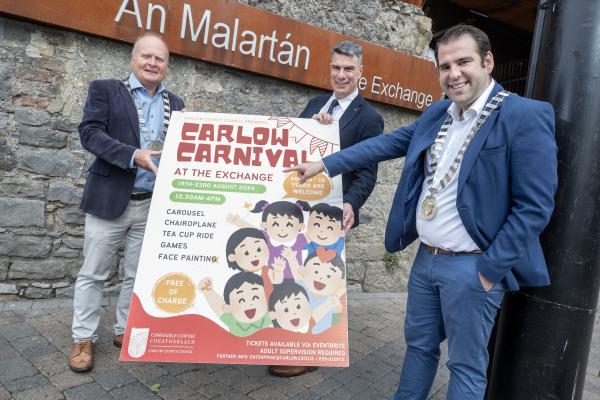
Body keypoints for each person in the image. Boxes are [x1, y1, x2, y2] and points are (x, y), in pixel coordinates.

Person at [286, 24, 558, 399]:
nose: (454, 73)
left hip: (473, 267)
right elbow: (385, 144)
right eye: (445, 66)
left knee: (464, 366)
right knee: (418, 349)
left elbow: (535, 207)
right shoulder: (439, 113)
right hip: (425, 261)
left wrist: (489, 270)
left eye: (463, 61)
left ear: (488, 61)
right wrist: (326, 164)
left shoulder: (524, 115)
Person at [68, 32, 185, 373]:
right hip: (110, 199)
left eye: (159, 59)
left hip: (151, 203)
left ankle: (123, 330)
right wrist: (134, 155)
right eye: (146, 56)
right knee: (93, 273)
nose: (152, 63)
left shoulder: (175, 104)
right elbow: (90, 133)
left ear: (167, 66)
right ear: (133, 60)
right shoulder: (106, 90)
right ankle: (83, 338)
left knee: (137, 274)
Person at [268, 39, 384, 378]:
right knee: (292, 276)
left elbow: (367, 172)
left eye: (349, 69)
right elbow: (294, 150)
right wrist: (313, 129)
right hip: (299, 208)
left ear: (361, 72)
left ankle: (310, 351)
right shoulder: (315, 104)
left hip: (330, 214)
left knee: (318, 283)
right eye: (337, 68)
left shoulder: (370, 119)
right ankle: (287, 343)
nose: (342, 75)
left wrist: (352, 203)